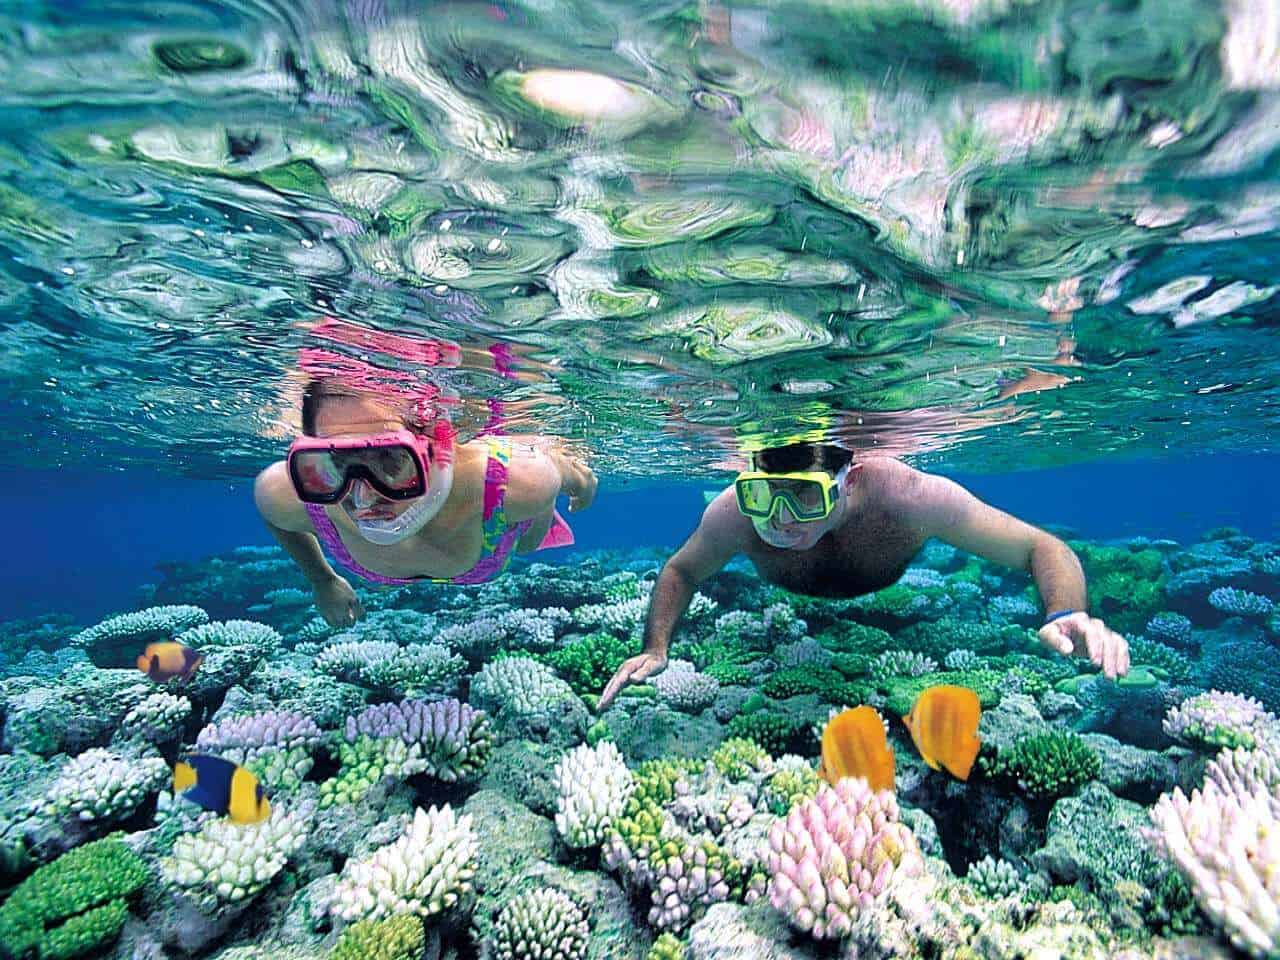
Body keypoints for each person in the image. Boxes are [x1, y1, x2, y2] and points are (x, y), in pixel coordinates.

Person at [598, 442, 1129, 709]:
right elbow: (682, 569)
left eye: (806, 496)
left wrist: (1066, 612)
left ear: (846, 484)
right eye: (763, 496)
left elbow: (1042, 545)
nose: (781, 519)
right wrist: (656, 647)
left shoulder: (909, 497)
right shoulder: (734, 514)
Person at [254, 379, 597, 627]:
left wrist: (580, 482)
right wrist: (322, 579)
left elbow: (572, 479)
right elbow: (276, 519)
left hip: (502, 520)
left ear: (433, 450)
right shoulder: (288, 491)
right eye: (333, 462)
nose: (364, 496)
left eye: (389, 458)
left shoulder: (516, 484)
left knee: (530, 536)